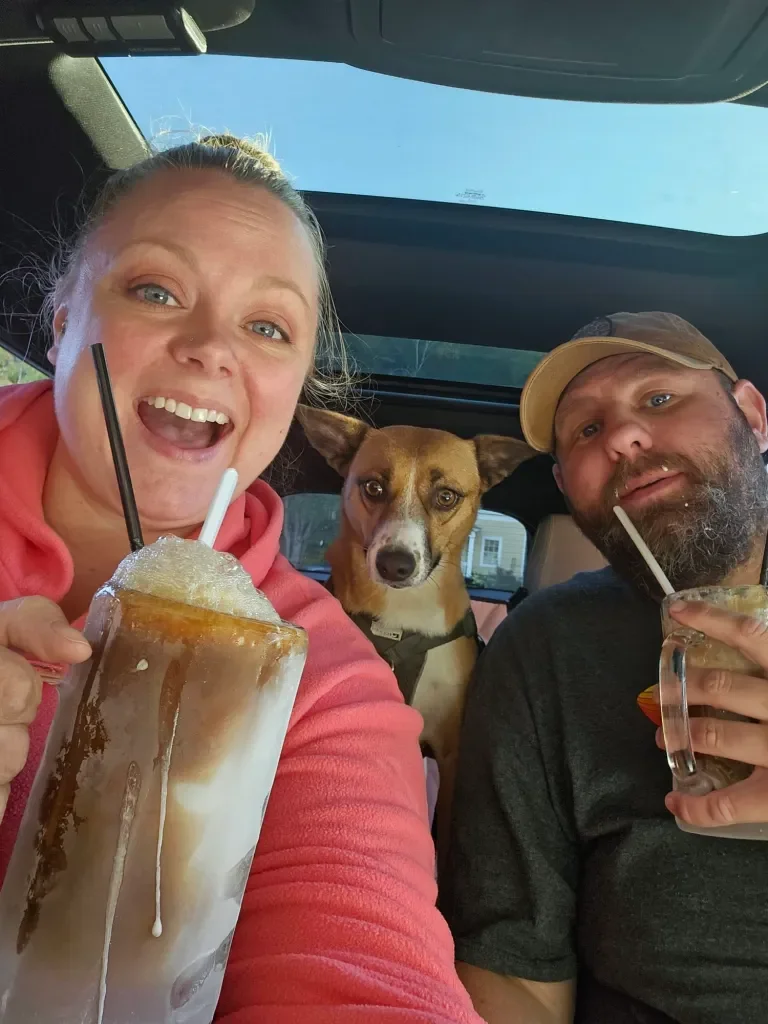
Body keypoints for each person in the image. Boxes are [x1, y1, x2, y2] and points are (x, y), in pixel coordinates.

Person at [0, 134, 481, 1023]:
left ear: (294, 383)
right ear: (64, 319)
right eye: (155, 289)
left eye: (266, 326)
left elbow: (368, 970)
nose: (210, 346)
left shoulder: (324, 684)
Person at [440, 312, 768, 1024]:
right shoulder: (546, 648)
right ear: (565, 486)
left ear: (753, 415)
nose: (622, 436)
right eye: (587, 430)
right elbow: (512, 971)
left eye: (659, 399)